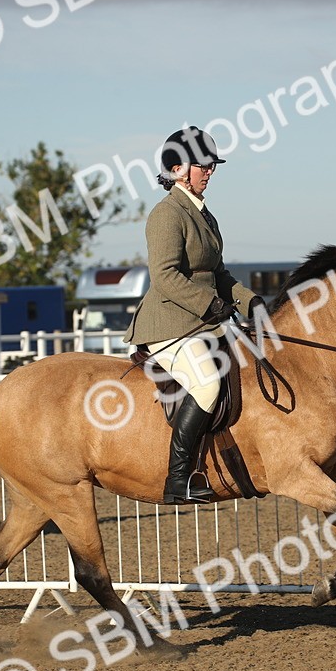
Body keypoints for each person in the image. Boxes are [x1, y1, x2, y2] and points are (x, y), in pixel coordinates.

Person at [124, 126, 263, 504]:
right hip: (169, 323)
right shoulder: (166, 214)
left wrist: (252, 302)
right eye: (203, 165)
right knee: (206, 382)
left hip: (202, 323)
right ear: (178, 168)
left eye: (211, 165)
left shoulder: (205, 216)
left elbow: (218, 275)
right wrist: (210, 305)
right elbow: (165, 277)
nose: (210, 171)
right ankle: (178, 478)